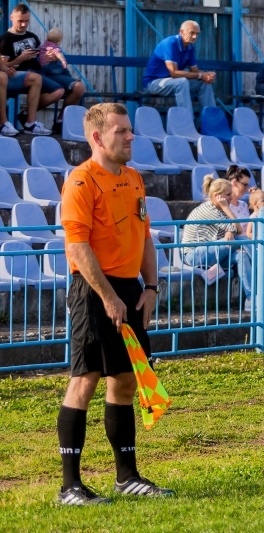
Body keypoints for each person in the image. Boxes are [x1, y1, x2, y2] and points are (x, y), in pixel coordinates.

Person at [57, 102, 173, 505]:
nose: (130, 137)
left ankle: (128, 477)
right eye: (121, 131)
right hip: (92, 291)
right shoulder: (81, 181)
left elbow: (144, 237)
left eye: (129, 130)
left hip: (129, 290)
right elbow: (78, 245)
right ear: (97, 137)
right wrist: (107, 296)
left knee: (125, 380)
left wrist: (151, 287)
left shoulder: (135, 179)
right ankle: (70, 486)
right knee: (85, 379)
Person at [0, 3, 69, 135]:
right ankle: (29, 123)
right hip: (15, 75)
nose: (23, 24)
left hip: (37, 73)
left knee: (59, 91)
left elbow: (40, 58)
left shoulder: (32, 37)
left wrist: (49, 57)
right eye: (20, 21)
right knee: (35, 78)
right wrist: (20, 58)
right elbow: (4, 67)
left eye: (26, 21)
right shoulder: (5, 39)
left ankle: (27, 119)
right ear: (11, 18)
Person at [181, 176, 253, 302]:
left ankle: (250, 298)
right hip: (194, 255)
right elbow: (239, 229)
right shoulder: (209, 209)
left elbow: (235, 228)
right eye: (228, 194)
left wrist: (230, 230)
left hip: (210, 251)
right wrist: (226, 208)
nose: (232, 197)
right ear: (217, 196)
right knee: (239, 240)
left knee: (242, 256)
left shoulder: (218, 209)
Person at [142, 20, 216, 113]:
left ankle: (212, 121)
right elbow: (174, 73)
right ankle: (187, 121)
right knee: (182, 82)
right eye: (192, 33)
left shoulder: (190, 47)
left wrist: (207, 75)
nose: (195, 37)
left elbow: (194, 70)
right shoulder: (170, 43)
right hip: (153, 83)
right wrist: (201, 75)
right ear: (181, 31)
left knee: (205, 83)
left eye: (197, 34)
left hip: (173, 83)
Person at [35, 27, 86, 133]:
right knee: (72, 87)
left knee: (78, 89)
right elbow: (58, 54)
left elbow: (40, 54)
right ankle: (60, 121)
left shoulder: (43, 46)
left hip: (50, 73)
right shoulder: (53, 47)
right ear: (59, 41)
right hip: (49, 74)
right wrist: (62, 60)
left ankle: (62, 121)